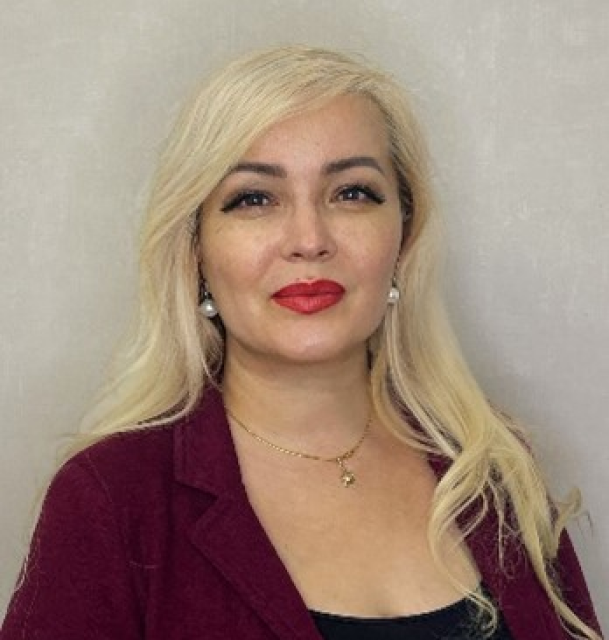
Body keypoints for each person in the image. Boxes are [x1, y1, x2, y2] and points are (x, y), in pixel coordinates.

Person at [0, 46, 602, 640]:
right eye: (254, 199)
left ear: (404, 234)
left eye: (352, 193)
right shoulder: (110, 501)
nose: (309, 239)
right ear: (196, 250)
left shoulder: (495, 471)